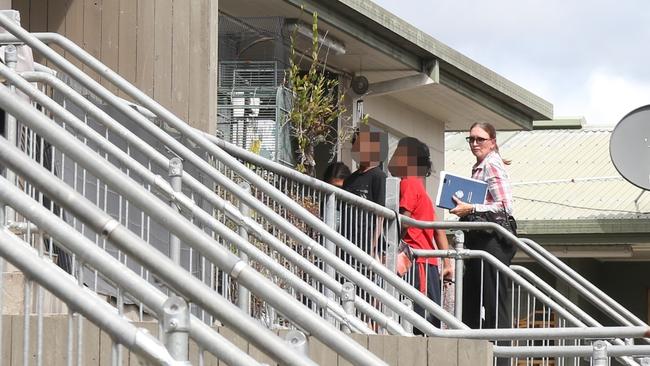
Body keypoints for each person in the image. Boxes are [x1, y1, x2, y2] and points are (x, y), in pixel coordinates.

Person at [450, 122, 516, 333]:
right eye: (471, 139)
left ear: (492, 142)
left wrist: (470, 208)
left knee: (494, 303)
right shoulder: (480, 165)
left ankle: (501, 359)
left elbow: (505, 206)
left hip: (492, 240)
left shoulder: (491, 164)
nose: (475, 143)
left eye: (480, 139)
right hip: (479, 239)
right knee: (471, 300)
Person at [388, 137, 453, 332]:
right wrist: (447, 263)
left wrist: (387, 239)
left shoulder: (408, 184)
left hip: (415, 263)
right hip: (429, 262)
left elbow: (403, 221)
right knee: (429, 316)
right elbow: (438, 229)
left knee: (416, 316)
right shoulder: (421, 189)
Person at [341, 125, 387, 259]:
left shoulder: (379, 176)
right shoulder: (349, 179)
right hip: (346, 243)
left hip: (366, 246)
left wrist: (372, 246)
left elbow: (381, 215)